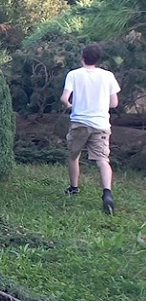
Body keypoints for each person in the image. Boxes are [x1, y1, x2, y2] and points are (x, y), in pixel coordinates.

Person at [60, 44, 120, 214]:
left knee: (74, 156)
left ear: (82, 57)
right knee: (102, 160)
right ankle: (107, 193)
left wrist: (70, 105)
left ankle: (73, 188)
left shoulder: (74, 74)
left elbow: (64, 98)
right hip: (101, 124)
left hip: (80, 122)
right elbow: (114, 103)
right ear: (98, 59)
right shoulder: (108, 76)